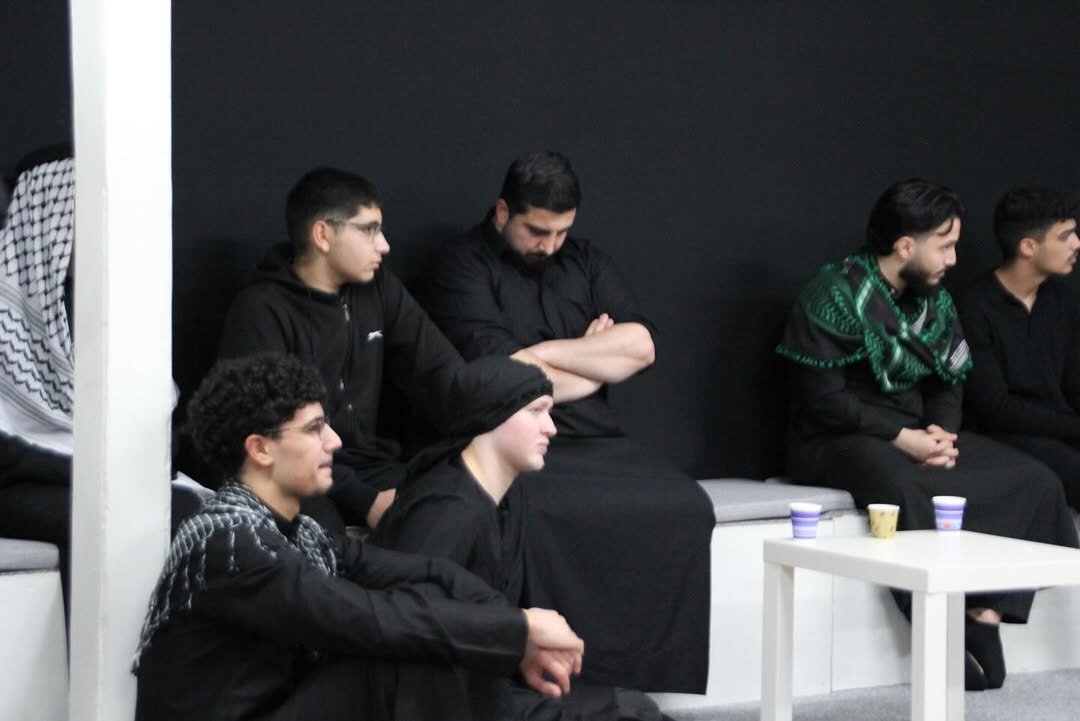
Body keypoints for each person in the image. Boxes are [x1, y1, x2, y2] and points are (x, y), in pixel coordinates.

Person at [133, 352, 587, 721]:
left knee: (422, 621)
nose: (334, 441)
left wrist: (515, 631)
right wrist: (518, 631)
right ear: (261, 448)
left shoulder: (303, 534)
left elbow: (432, 573)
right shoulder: (230, 543)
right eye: (314, 429)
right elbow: (365, 618)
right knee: (403, 649)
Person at [423, 151, 713, 692]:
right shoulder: (462, 266)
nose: (550, 246)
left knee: (686, 504)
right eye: (537, 232)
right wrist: (593, 359)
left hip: (598, 440)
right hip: (512, 446)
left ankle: (631, 675)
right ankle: (550, 675)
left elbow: (642, 347)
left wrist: (544, 357)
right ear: (503, 212)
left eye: (561, 232)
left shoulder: (586, 261)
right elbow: (503, 377)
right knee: (542, 514)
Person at [776, 178, 1079, 691]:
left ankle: (985, 613)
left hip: (916, 430)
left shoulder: (933, 300)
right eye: (944, 246)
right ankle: (937, 622)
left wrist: (941, 432)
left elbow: (950, 378)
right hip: (837, 436)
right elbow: (824, 401)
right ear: (904, 246)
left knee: (1034, 480)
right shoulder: (833, 294)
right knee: (904, 485)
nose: (953, 259)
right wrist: (902, 438)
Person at [374, 355, 669, 721]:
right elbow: (409, 623)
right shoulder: (446, 510)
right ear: (491, 416)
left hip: (482, 685)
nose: (551, 428)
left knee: (632, 707)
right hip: (443, 703)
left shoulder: (506, 500)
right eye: (535, 411)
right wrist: (513, 638)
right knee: (630, 712)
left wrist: (517, 653)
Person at [0, 145, 201, 612]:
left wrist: (138, 465)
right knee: (153, 517)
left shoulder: (107, 303)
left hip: (98, 475)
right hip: (19, 484)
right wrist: (97, 473)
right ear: (46, 215)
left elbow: (157, 412)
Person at [217, 167, 464, 533]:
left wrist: (508, 410)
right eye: (369, 230)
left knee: (454, 506)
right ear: (323, 234)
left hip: (369, 465)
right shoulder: (261, 310)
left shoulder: (378, 288)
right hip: (294, 470)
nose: (384, 245)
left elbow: (443, 372)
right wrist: (366, 500)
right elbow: (274, 439)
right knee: (319, 535)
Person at [958, 187, 1080, 509]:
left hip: (1060, 429)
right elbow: (996, 409)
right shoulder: (975, 307)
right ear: (1028, 246)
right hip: (1003, 436)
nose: (1076, 244)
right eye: (1065, 236)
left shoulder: (1063, 301)